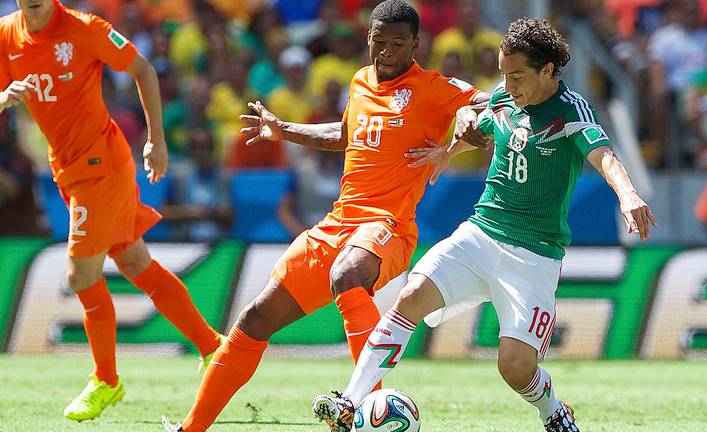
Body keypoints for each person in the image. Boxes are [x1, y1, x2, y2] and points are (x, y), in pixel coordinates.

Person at [312, 17, 656, 432]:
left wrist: (628, 194)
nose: (508, 85)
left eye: (517, 76)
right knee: (411, 296)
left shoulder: (570, 109)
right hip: (480, 233)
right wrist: (449, 150)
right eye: (503, 74)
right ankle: (350, 401)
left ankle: (552, 411)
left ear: (546, 70)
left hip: (533, 256)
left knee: (514, 367)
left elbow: (604, 156)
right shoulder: (503, 99)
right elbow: (479, 126)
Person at [161, 1, 488, 430]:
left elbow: (494, 103)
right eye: (379, 42)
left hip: (387, 225)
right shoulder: (360, 81)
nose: (386, 52)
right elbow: (347, 134)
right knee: (256, 319)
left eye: (397, 43)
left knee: (348, 275)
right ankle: (191, 428)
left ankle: (364, 407)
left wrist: (461, 129)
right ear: (368, 38)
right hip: (339, 223)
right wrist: (285, 130)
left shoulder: (432, 87)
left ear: (415, 44)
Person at [0, 0, 223, 421]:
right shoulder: (6, 35)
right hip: (66, 168)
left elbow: (144, 69)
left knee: (79, 274)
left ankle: (106, 380)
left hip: (101, 165)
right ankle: (213, 346)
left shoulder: (85, 28)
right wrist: (2, 98)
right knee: (136, 262)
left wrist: (156, 140)